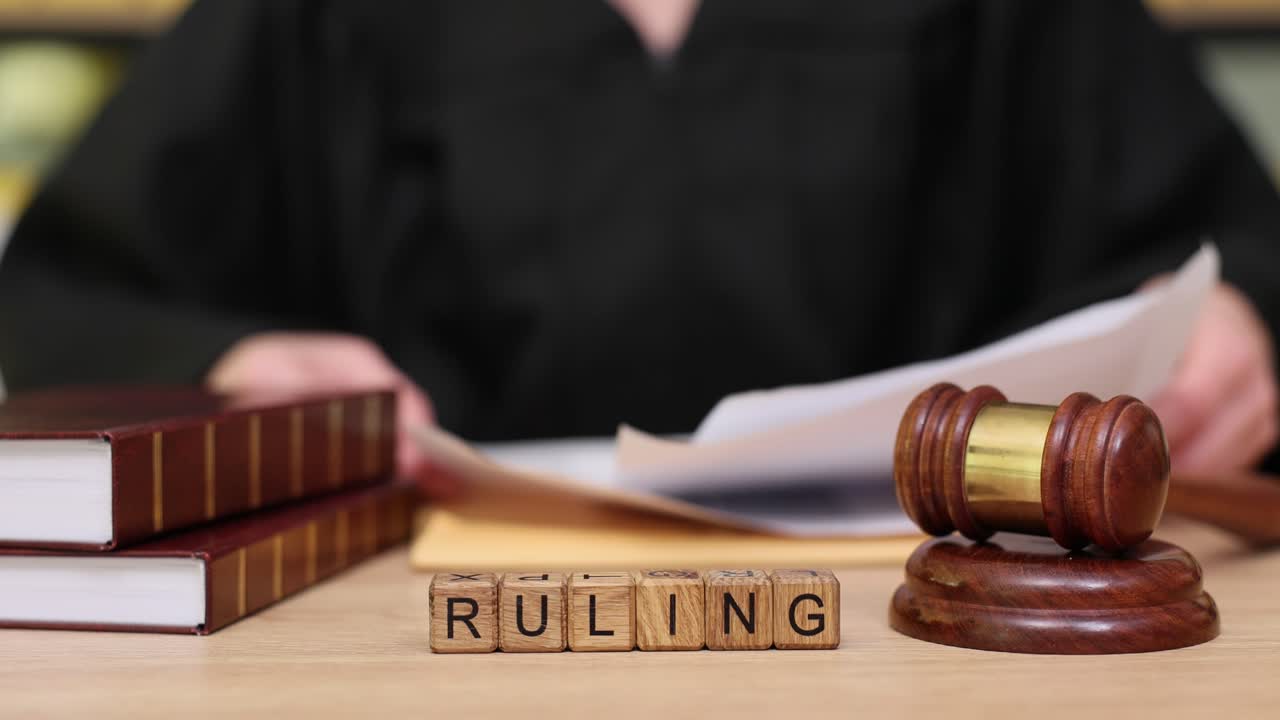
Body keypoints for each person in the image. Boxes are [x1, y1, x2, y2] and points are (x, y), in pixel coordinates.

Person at [0, 0, 1277, 487]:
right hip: (436, 644)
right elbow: (61, 290)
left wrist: (1240, 325)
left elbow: (1231, 238)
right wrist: (238, 358)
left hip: (931, 642)